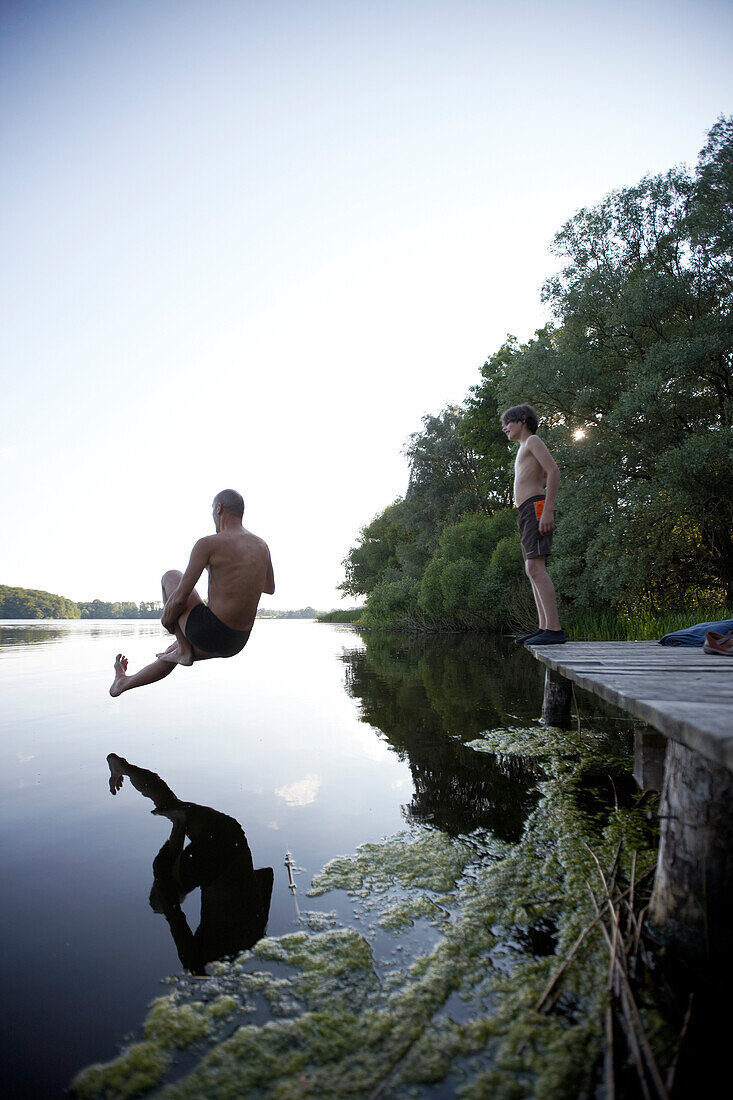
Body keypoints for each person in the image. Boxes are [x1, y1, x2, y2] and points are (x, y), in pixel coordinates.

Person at [106, 753, 273, 972]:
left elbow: (266, 875)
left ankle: (126, 770)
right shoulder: (198, 963)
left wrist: (244, 893)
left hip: (233, 837)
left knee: (171, 804)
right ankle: (177, 821)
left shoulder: (253, 939)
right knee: (160, 899)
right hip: (219, 860)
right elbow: (172, 912)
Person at [110, 489, 275, 696]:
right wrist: (233, 579)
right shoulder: (262, 546)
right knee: (173, 652)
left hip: (210, 631)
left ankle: (183, 647)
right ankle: (122, 684)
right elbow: (269, 588)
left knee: (171, 576)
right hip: (237, 641)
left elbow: (178, 599)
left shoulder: (208, 544)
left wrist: (167, 621)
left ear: (218, 509)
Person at [501, 404, 567, 645]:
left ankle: (555, 630)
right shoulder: (522, 448)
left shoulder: (533, 441)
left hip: (535, 507)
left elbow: (554, 471)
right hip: (526, 510)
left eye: (508, 422)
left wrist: (548, 508)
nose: (505, 428)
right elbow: (545, 475)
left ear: (523, 420)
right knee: (531, 570)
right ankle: (544, 627)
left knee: (536, 569)